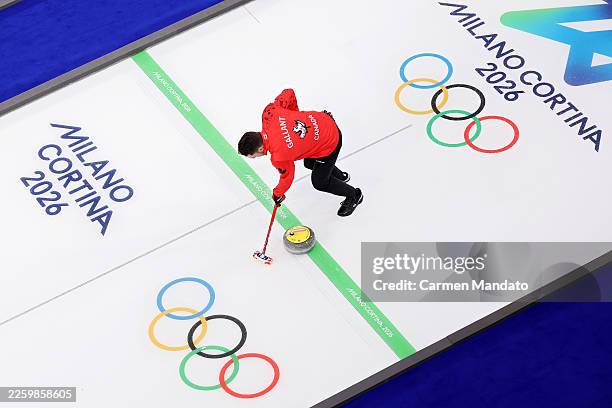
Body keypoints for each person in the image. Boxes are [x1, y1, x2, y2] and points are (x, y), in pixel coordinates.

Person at [238, 89, 363, 217]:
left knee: (319, 182)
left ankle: (354, 195)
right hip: (323, 120)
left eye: (254, 157)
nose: (256, 158)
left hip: (331, 140)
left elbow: (287, 178)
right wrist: (293, 117)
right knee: (309, 162)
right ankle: (341, 177)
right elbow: (289, 93)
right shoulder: (268, 114)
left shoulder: (278, 156)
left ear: (259, 149)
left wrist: (277, 194)